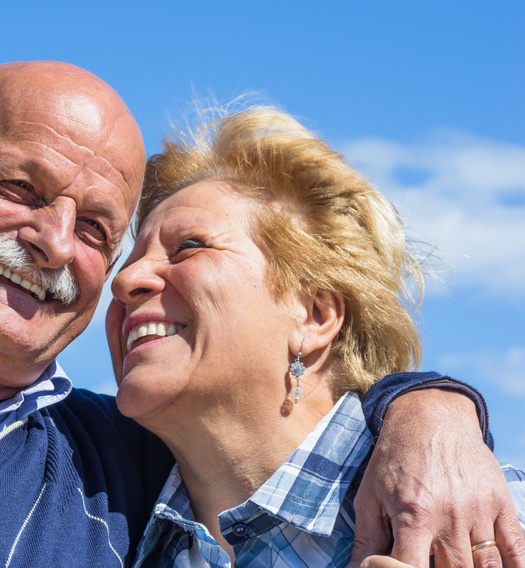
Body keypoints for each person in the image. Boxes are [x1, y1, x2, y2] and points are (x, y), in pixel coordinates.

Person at [0, 62, 518, 566]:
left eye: (95, 230)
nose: (104, 271)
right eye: (17, 188)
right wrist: (434, 412)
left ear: (315, 315)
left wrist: (430, 414)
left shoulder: (113, 467)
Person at [104, 105, 525, 567]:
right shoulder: (109, 531)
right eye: (127, 262)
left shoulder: (488, 523)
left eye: (189, 246)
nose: (127, 281)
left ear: (314, 316)